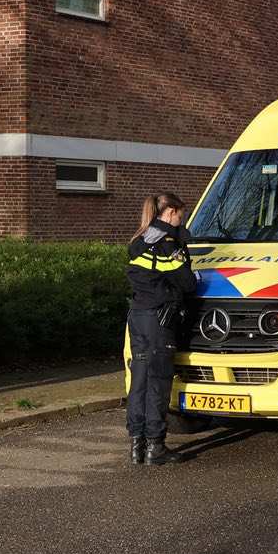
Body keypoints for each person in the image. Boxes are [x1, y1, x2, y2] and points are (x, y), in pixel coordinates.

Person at [126, 192, 196, 465]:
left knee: (139, 381)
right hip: (159, 320)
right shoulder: (168, 244)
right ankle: (156, 446)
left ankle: (136, 446)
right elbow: (188, 283)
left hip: (137, 316)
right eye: (182, 214)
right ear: (170, 213)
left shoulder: (139, 240)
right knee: (158, 382)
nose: (183, 219)